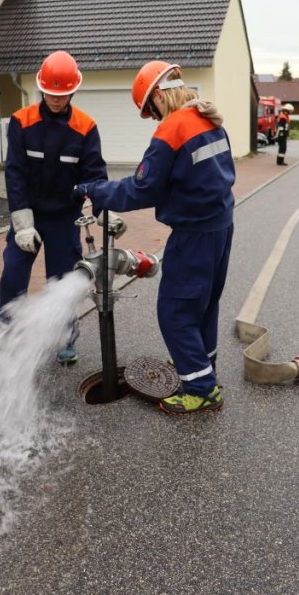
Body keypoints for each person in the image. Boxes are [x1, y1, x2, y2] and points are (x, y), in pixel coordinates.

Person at [72, 60, 235, 415]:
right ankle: (202, 369)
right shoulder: (209, 119)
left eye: (151, 110)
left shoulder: (174, 128)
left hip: (194, 234)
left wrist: (96, 191)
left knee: (175, 310)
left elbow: (142, 188)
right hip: (220, 226)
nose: (154, 118)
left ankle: (202, 390)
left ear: (159, 95)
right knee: (203, 305)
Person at [0, 50, 117, 364]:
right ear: (41, 89)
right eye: (50, 93)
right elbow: (15, 173)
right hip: (29, 213)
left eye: (61, 94)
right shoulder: (22, 122)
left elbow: (95, 176)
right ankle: (6, 333)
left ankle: (65, 338)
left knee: (63, 282)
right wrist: (22, 225)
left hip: (65, 216)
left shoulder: (86, 127)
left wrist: (105, 211)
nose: (56, 99)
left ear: (73, 91)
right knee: (13, 274)